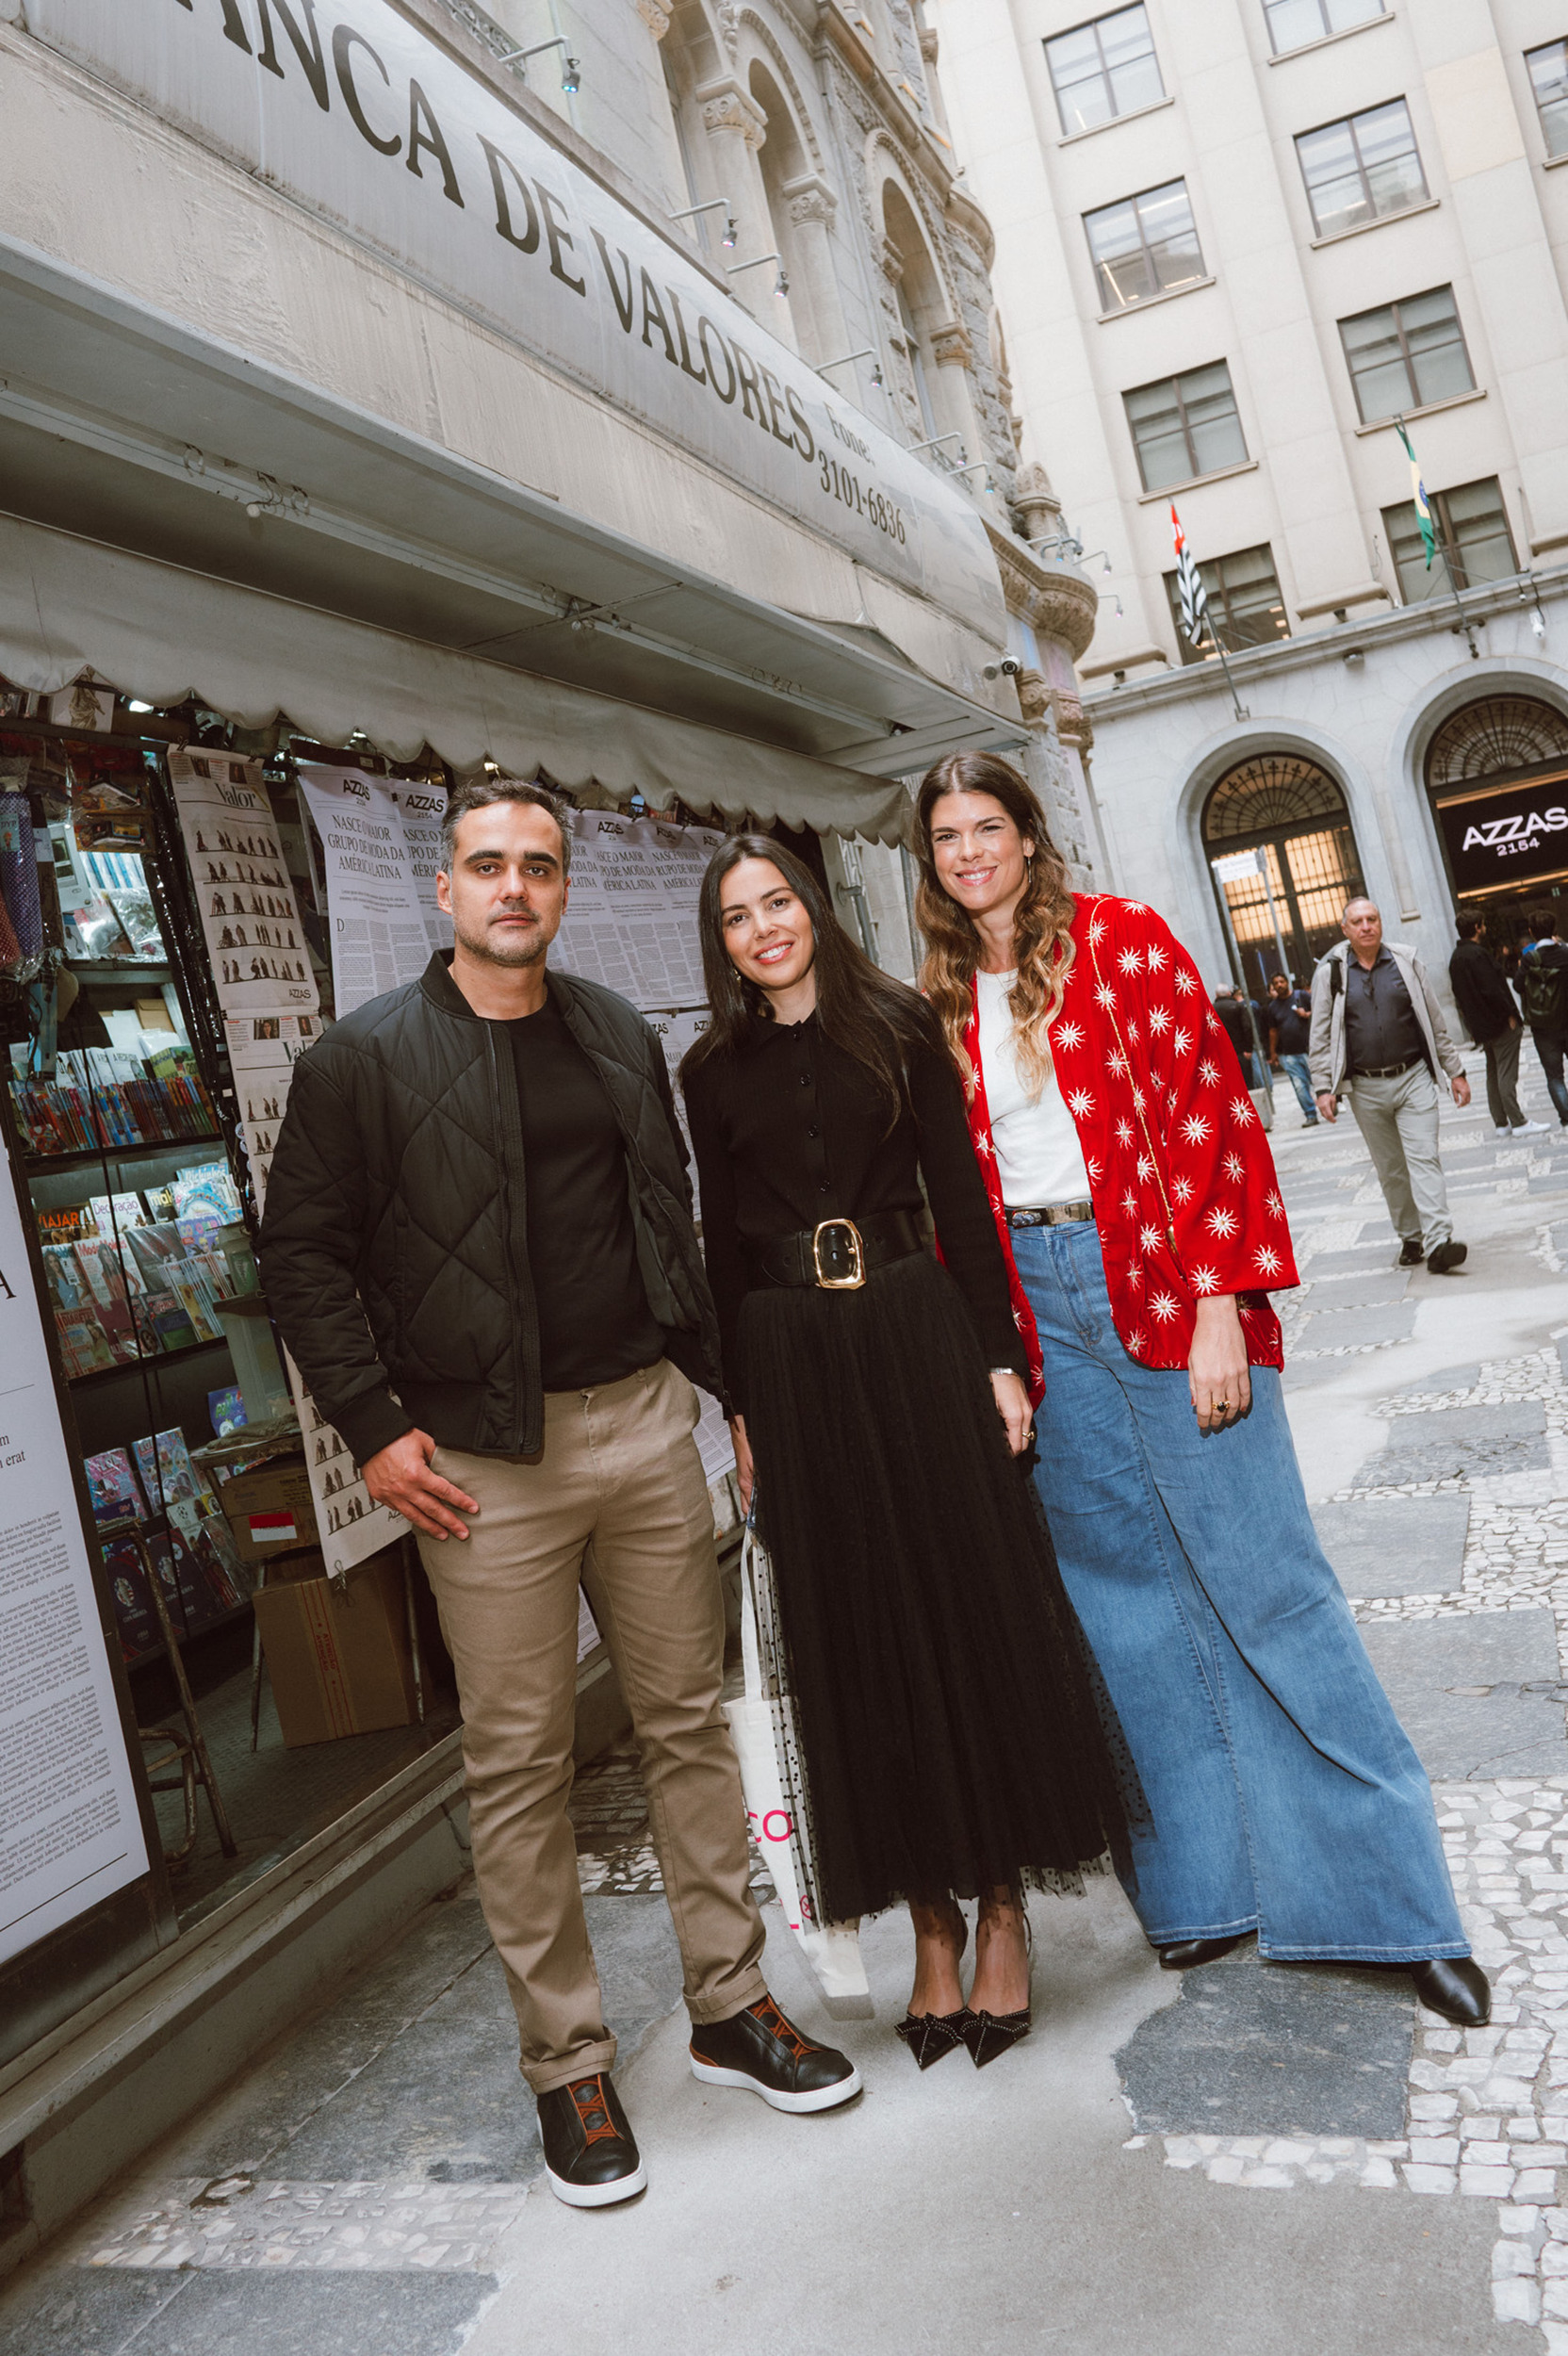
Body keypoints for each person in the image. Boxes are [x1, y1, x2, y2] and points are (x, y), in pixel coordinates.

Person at [259, 779, 858, 2212]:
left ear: (562, 887)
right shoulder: (365, 1060)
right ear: (446, 890)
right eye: (487, 866)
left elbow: (669, 1226)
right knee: (518, 1765)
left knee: (686, 1732)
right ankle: (569, 2066)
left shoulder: (608, 1032)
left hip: (646, 1426)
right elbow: (303, 1259)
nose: (513, 887)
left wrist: (733, 1395)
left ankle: (730, 2005)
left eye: (537, 865)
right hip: (483, 1467)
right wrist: (377, 1430)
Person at [913, 750, 1488, 2031]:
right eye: (946, 835)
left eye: (986, 826)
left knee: (1269, 1582)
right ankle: (1203, 1893)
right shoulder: (941, 997)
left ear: (1026, 835)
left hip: (1166, 1285)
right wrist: (991, 1354)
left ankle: (1394, 1909)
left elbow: (1211, 1116)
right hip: (1039, 1303)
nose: (968, 852)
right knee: (1123, 1611)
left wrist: (1223, 1300)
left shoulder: (1123, 941)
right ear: (931, 859)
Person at [680, 834, 1135, 2071]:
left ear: (815, 908)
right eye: (736, 917)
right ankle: (926, 1922)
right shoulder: (709, 1069)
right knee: (861, 1640)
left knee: (960, 1615)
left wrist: (997, 1360)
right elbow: (720, 1250)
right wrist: (740, 1409)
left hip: (916, 1338)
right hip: (794, 1369)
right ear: (719, 943)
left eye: (778, 902)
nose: (763, 927)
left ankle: (999, 1909)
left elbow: (965, 1204)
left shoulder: (897, 1024)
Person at [1309, 896, 1471, 1272]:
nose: (1366, 926)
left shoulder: (1406, 961)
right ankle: (1411, 1237)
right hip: (1365, 1087)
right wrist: (1322, 1087)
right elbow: (1319, 1035)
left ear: (1381, 923)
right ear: (1344, 929)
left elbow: (1434, 1021)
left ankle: (1439, 1243)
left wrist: (1455, 1070)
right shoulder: (1330, 972)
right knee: (1391, 1168)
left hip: (1413, 1077)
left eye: (1373, 919)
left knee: (1424, 1159)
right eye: (1358, 921)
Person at [1448, 914, 1545, 1139]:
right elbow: (1492, 989)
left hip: (1481, 1027)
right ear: (1476, 927)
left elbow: (1460, 996)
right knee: (1506, 1073)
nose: (1485, 927)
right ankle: (1518, 1121)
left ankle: (1501, 1123)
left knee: (1493, 1072)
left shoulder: (1456, 957)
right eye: (1483, 924)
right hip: (1498, 1023)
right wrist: (1509, 1014)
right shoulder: (1477, 955)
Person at [1519, 912, 1568, 1127]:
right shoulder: (1565, 952)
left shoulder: (1530, 959)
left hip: (1544, 1026)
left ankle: (1566, 1117)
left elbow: (1517, 985)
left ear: (1531, 933)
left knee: (1554, 1075)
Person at [1265, 973, 1317, 1126]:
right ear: (1273, 987)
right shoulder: (1272, 1007)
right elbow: (1273, 1031)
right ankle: (1310, 1114)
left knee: (1317, 1080)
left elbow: (1320, 1011)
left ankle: (1331, 1102)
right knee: (1299, 1085)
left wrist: (1306, 1014)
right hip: (1288, 1053)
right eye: (1276, 983)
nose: (1279, 985)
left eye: (1281, 981)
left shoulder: (1301, 996)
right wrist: (1273, 1052)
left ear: (1287, 983)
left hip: (1309, 1048)